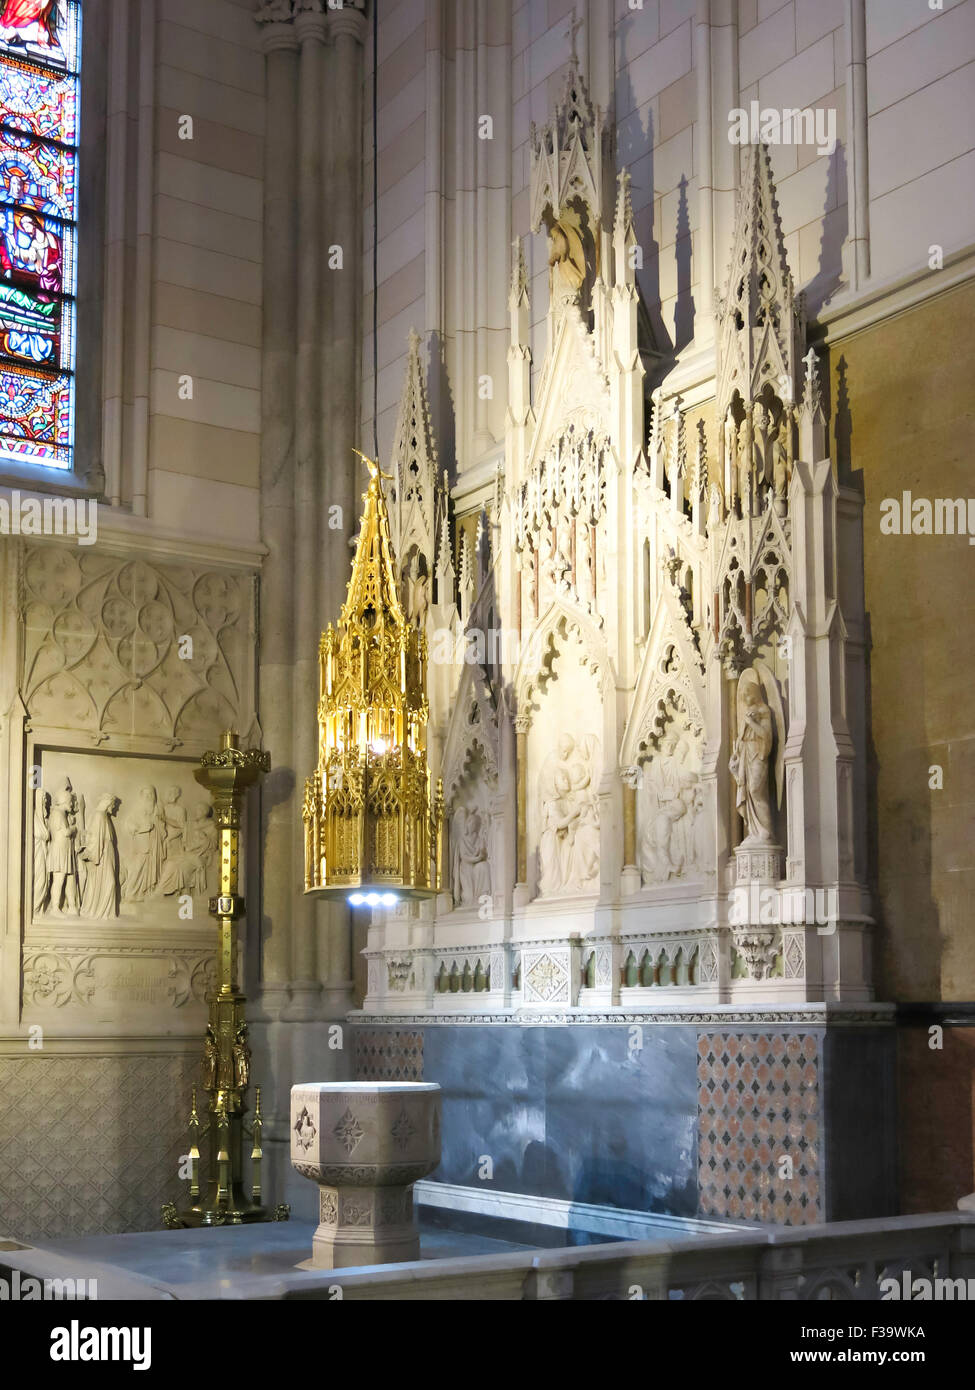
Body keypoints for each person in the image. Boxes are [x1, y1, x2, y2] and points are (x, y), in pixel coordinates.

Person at [80, 794, 120, 918]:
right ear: (108, 802)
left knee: (106, 882)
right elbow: (95, 838)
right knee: (110, 883)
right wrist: (92, 854)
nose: (114, 808)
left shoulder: (103, 816)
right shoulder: (99, 815)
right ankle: (98, 912)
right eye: (113, 805)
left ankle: (103, 913)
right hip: (102, 854)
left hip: (107, 853)